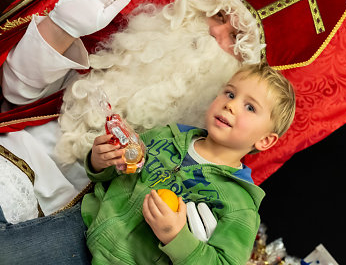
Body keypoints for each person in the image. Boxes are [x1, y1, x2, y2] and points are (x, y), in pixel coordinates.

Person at [0, 0, 263, 224]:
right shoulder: (115, 46)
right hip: (13, 163)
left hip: (69, 226)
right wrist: (62, 28)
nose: (215, 32)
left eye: (235, 37)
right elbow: (17, 90)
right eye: (218, 16)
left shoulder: (200, 142)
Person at [1, 62, 296, 264]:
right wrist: (100, 162)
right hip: (82, 228)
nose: (231, 104)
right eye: (230, 93)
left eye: (249, 107)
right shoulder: (166, 136)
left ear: (265, 141)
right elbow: (118, 174)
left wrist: (177, 238)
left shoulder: (239, 202)